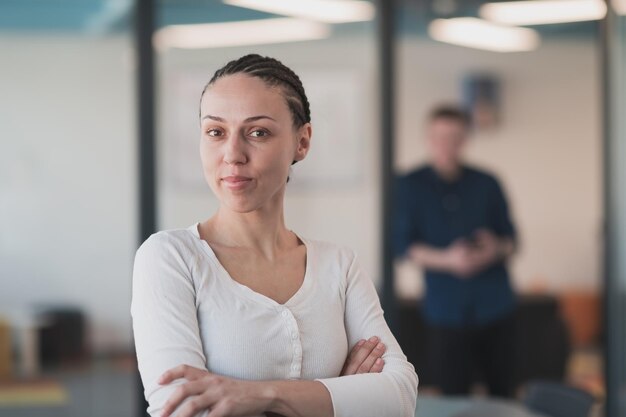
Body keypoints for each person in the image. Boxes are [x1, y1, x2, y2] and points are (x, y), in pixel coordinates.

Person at [131, 54, 418, 417]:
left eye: (258, 132)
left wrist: (261, 396)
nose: (232, 155)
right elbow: (182, 409)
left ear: (302, 142)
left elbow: (401, 397)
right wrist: (338, 397)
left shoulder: (338, 265)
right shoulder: (170, 258)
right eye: (215, 132)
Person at [393, 105, 517, 397]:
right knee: (452, 396)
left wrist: (493, 249)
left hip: (495, 305)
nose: (446, 145)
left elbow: (511, 240)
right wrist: (448, 260)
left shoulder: (488, 182)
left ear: (465, 139)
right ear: (428, 138)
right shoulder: (408, 185)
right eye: (439, 137)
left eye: (454, 137)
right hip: (445, 310)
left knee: (503, 393)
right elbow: (403, 246)